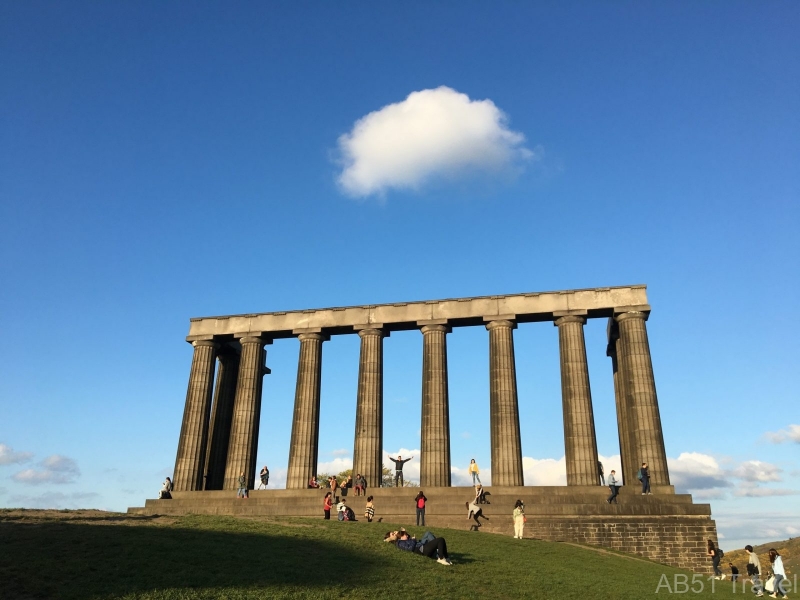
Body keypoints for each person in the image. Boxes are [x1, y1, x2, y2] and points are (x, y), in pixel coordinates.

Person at [387, 529, 452, 566]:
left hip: (423, 547)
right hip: (423, 549)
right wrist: (413, 540)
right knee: (440, 540)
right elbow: (410, 548)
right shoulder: (399, 543)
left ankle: (446, 558)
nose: (407, 536)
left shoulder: (403, 541)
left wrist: (405, 533)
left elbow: (408, 540)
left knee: (441, 540)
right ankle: (440, 558)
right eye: (405, 535)